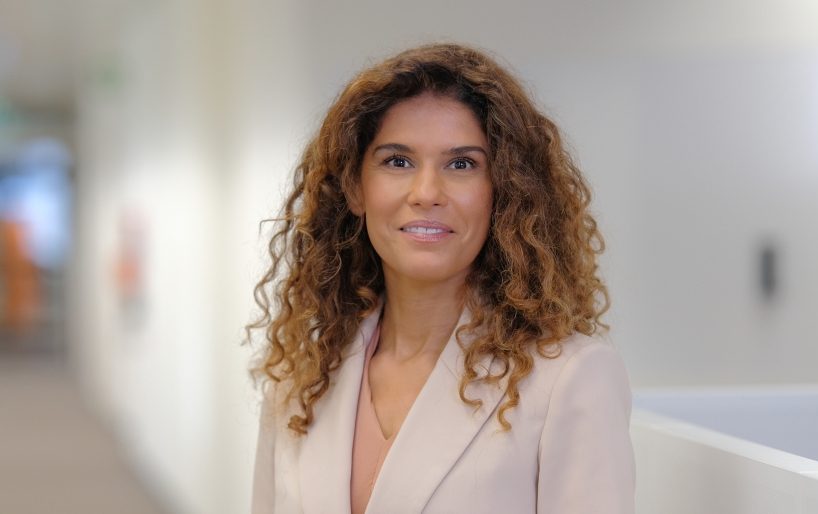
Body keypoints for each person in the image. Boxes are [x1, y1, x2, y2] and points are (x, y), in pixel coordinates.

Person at [248, 43, 635, 514]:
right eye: (397, 161)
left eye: (461, 164)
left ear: (503, 192)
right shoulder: (301, 378)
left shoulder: (570, 378)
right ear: (355, 187)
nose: (427, 192)